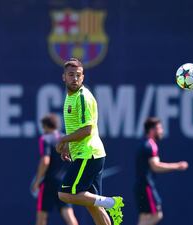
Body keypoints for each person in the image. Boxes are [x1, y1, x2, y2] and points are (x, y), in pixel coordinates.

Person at [55, 58, 124, 225]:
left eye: (78, 75)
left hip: (89, 153)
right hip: (90, 153)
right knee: (93, 205)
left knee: (64, 194)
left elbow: (87, 130)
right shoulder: (70, 97)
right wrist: (68, 145)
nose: (75, 78)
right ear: (64, 77)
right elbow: (77, 128)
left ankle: (111, 203)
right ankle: (108, 204)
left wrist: (63, 139)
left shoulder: (82, 97)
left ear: (83, 77)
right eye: (71, 75)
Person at [134, 117, 189, 225]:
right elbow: (156, 166)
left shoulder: (144, 144)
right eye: (159, 128)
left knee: (144, 218)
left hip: (140, 186)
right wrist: (177, 166)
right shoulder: (151, 145)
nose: (161, 131)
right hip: (146, 187)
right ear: (151, 130)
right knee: (157, 215)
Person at [32, 114, 79, 225]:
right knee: (68, 214)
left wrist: (37, 181)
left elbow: (45, 161)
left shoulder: (45, 139)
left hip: (48, 183)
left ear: (45, 126)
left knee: (41, 217)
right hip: (64, 182)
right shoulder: (65, 138)